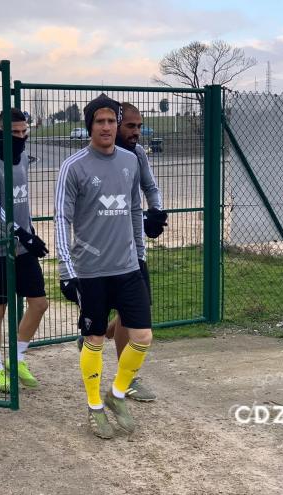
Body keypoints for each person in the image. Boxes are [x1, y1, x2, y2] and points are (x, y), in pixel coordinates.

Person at [55, 94, 152, 439]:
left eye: (112, 121)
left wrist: (140, 254)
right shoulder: (74, 166)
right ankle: (95, 405)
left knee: (142, 336)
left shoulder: (130, 161)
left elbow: (134, 211)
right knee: (94, 338)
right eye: (101, 122)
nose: (108, 127)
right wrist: (66, 270)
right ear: (90, 127)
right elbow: (61, 219)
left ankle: (117, 393)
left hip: (127, 266)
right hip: (91, 270)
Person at [0, 108, 49, 393]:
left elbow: (23, 203)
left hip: (23, 245)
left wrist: (30, 234)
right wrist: (18, 232)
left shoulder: (23, 161)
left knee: (39, 303)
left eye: (23, 132)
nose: (19, 137)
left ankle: (15, 359)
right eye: (13, 132)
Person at [105, 102, 167, 401]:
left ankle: (99, 333)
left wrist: (156, 212)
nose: (137, 132)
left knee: (135, 311)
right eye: (131, 126)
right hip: (103, 250)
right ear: (115, 125)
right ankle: (125, 378)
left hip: (134, 248)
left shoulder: (138, 154)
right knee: (128, 314)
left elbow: (151, 188)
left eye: (140, 126)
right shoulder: (96, 158)